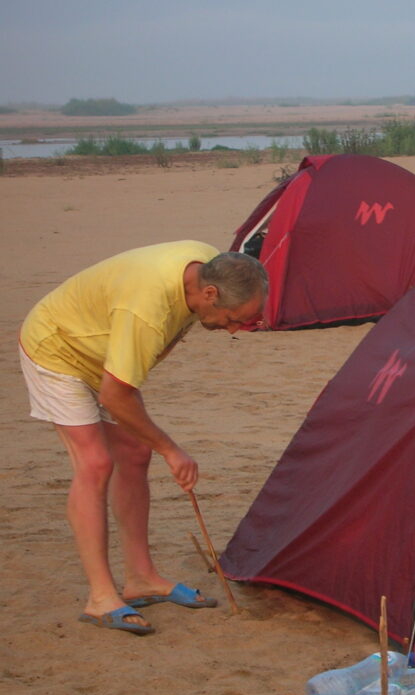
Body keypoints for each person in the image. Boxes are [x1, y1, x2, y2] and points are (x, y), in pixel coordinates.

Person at [19, 241, 268, 636]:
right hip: (58, 347)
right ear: (209, 294)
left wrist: (151, 438)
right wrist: (171, 449)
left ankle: (141, 579)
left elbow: (126, 378)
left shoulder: (208, 264)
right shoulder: (146, 309)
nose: (235, 329)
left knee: (134, 452)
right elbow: (114, 394)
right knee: (95, 463)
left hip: (103, 350)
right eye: (233, 318)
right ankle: (101, 598)